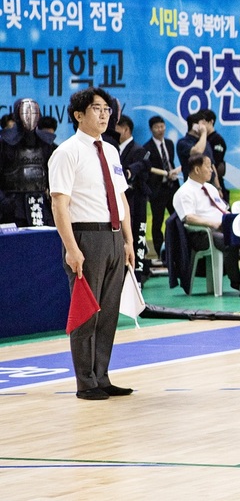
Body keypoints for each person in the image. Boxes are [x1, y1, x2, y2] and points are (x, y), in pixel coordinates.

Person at [48, 87, 135, 400]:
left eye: (107, 110)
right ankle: (85, 382)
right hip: (85, 236)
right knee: (87, 312)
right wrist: (72, 248)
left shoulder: (111, 151)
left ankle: (102, 376)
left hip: (113, 237)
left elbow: (121, 197)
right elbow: (60, 204)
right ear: (78, 115)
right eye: (97, 109)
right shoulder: (66, 152)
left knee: (109, 312)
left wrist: (127, 240)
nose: (103, 115)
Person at [172, 154, 240, 290]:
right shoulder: (184, 192)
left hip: (222, 227)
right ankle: (237, 281)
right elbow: (189, 217)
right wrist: (213, 224)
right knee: (229, 241)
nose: (212, 170)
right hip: (201, 234)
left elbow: (223, 209)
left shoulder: (210, 188)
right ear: (197, 170)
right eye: (208, 166)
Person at [0, 98, 56, 226]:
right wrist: (3, 202)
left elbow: (55, 175)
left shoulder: (47, 144)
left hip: (42, 204)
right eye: (26, 113)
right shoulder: (4, 144)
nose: (30, 117)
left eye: (34, 113)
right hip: (12, 207)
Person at [115, 115, 152, 283]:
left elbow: (144, 168)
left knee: (138, 234)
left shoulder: (139, 150)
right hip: (122, 200)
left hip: (137, 200)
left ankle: (138, 275)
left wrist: (129, 172)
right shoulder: (114, 149)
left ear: (125, 129)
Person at [144, 116, 180, 259]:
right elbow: (148, 170)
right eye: (157, 127)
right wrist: (164, 175)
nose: (160, 130)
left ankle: (176, 250)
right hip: (158, 191)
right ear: (151, 129)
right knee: (157, 222)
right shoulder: (147, 148)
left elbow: (169, 162)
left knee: (176, 219)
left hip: (172, 188)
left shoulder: (170, 144)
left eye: (162, 126)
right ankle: (159, 253)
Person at [176, 111, 221, 190]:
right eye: (203, 124)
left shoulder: (205, 142)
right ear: (195, 126)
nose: (205, 127)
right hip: (194, 187)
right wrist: (203, 133)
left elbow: (212, 165)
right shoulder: (183, 143)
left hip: (210, 185)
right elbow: (197, 152)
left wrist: (218, 187)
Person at [201, 109, 229, 202]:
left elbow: (215, 162)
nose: (201, 125)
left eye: (204, 122)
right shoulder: (202, 139)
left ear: (211, 122)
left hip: (215, 180)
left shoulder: (217, 140)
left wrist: (217, 187)